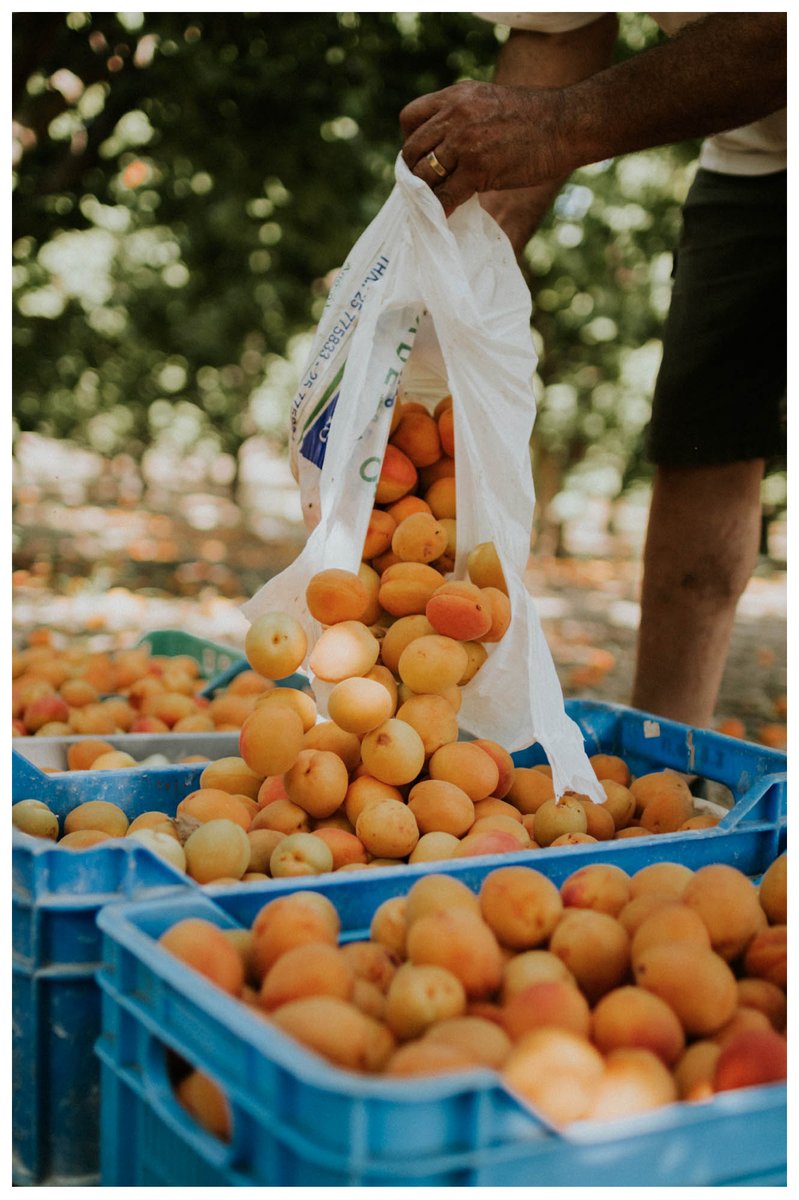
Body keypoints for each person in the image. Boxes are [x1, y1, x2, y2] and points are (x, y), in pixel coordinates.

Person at [400, 12, 787, 730]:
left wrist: (563, 123)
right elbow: (556, 28)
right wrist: (479, 251)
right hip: (754, 156)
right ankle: (675, 754)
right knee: (700, 434)